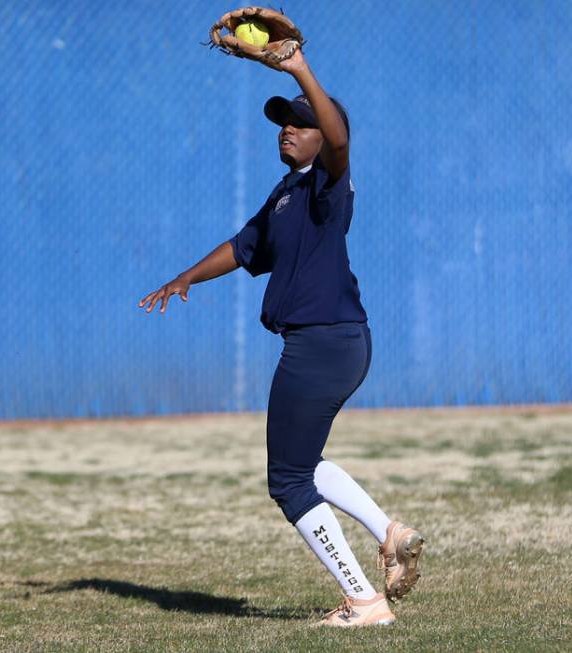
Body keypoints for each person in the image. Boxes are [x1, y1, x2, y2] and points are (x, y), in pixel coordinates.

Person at [137, 48, 424, 628]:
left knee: (287, 481)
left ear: (324, 137)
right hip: (332, 341)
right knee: (304, 464)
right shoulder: (286, 193)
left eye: (301, 121)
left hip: (322, 343)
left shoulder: (326, 184)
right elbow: (245, 248)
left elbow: (341, 140)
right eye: (283, 122)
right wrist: (186, 276)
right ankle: (390, 533)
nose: (289, 129)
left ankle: (365, 602)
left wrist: (298, 68)